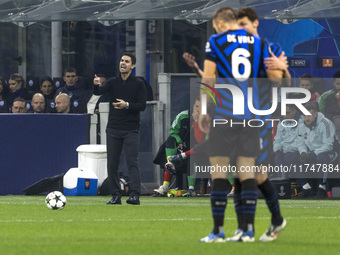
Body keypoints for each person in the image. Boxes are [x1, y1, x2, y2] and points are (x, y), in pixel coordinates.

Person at [198, 7, 282, 243]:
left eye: (216, 26)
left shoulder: (216, 41)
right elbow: (273, 80)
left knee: (219, 175)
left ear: (222, 23)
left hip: (225, 115)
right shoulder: (259, 43)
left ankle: (217, 232)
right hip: (250, 118)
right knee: (247, 176)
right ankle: (247, 231)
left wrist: (204, 109)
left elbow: (209, 78)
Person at [93, 52, 146, 205]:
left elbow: (142, 106)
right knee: (112, 163)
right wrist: (96, 84)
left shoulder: (138, 83)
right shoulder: (113, 82)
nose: (123, 63)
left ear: (133, 66)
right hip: (113, 128)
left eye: (127, 61)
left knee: (132, 162)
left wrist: (127, 105)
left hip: (130, 128)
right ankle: (115, 195)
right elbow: (98, 92)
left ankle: (135, 194)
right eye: (122, 61)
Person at [296, 101, 338, 199]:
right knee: (291, 157)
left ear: (315, 114)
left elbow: (328, 145)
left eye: (309, 115)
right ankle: (306, 188)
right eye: (305, 115)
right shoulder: (301, 125)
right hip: (312, 153)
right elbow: (300, 142)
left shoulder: (325, 123)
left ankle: (322, 188)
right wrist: (303, 153)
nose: (307, 118)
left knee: (321, 157)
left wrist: (313, 154)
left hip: (332, 152)